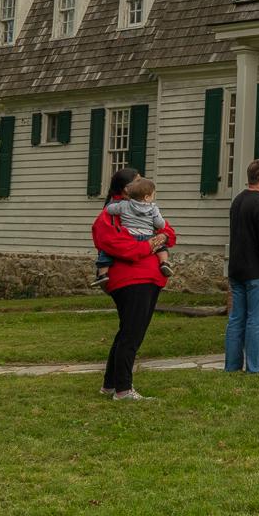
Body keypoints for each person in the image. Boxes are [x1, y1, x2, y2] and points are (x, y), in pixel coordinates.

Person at [91, 167, 176, 400]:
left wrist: (162, 237)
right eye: (137, 181)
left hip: (149, 278)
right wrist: (150, 245)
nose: (143, 184)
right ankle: (124, 390)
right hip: (131, 280)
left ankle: (110, 384)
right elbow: (121, 247)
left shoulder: (147, 208)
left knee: (126, 332)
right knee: (132, 335)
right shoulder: (110, 215)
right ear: (126, 189)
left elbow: (168, 231)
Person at [225, 158, 259, 374]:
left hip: (236, 268)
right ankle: (256, 367)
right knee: (257, 320)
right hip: (257, 270)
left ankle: (232, 365)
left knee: (237, 318)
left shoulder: (238, 200)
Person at [105, 176, 173, 278]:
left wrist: (115, 205)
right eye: (153, 194)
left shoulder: (124, 205)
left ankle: (102, 273)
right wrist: (161, 222)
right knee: (161, 247)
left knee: (107, 252)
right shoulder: (153, 208)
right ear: (146, 197)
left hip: (129, 235)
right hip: (147, 236)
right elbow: (160, 224)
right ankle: (164, 263)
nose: (154, 197)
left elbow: (109, 209)